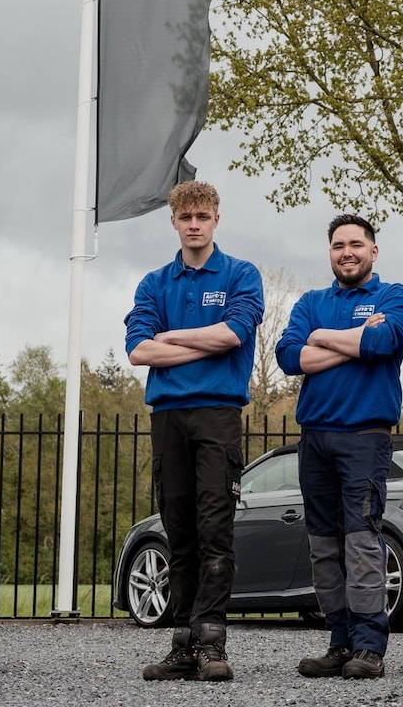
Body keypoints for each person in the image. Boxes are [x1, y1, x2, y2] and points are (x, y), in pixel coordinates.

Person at [125, 181, 265, 683]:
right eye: (186, 217)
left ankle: (211, 642)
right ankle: (182, 644)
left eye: (203, 216)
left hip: (217, 415)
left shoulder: (240, 274)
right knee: (179, 532)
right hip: (168, 417)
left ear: (216, 220)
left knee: (214, 532)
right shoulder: (154, 283)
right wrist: (200, 344)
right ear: (174, 222)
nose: (194, 224)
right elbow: (138, 350)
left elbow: (233, 333)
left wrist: (172, 337)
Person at [275, 214, 403, 680]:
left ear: (373, 251)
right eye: (338, 245)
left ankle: (369, 645)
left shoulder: (394, 296)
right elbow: (288, 356)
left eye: (356, 244)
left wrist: (321, 339)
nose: (347, 252)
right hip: (314, 438)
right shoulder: (311, 302)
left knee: (361, 543)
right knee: (323, 546)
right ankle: (339, 641)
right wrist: (354, 343)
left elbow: (384, 341)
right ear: (330, 252)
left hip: (364, 438)